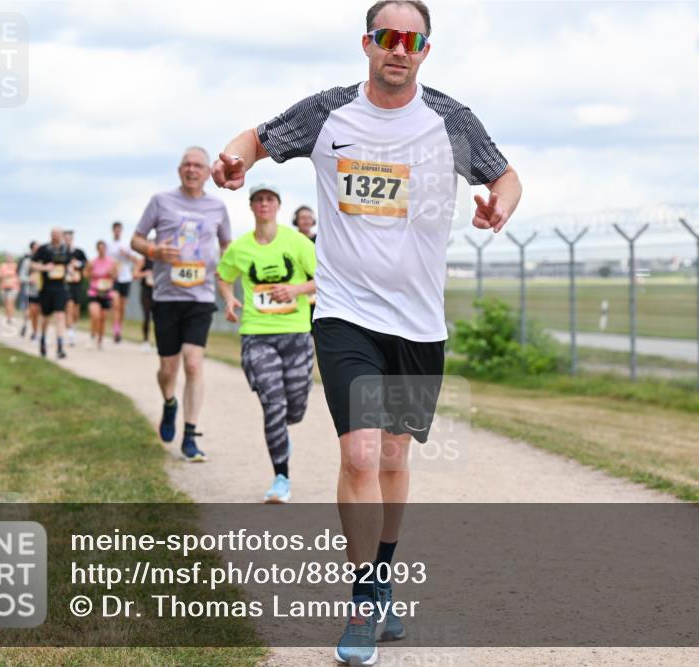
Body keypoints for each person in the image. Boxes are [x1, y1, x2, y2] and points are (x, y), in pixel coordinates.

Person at [211, 2, 521, 662]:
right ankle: (362, 599)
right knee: (358, 455)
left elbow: (506, 175)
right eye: (388, 37)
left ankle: (382, 575)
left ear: (425, 50)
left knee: (392, 458)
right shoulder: (329, 114)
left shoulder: (451, 120)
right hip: (345, 314)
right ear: (368, 43)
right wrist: (234, 161)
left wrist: (499, 204)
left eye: (413, 39)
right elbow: (257, 137)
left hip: (419, 322)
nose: (399, 48)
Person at [131, 146, 232, 462]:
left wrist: (223, 268)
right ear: (179, 170)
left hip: (200, 296)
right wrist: (154, 252)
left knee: (192, 363)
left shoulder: (217, 206)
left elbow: (227, 243)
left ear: (207, 172)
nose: (192, 170)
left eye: (198, 165)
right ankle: (169, 402)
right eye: (187, 165)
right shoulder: (161, 201)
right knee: (168, 368)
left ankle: (190, 434)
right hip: (166, 295)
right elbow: (136, 239)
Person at [217, 184, 317, 504]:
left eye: (269, 199)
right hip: (257, 335)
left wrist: (296, 291)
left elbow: (326, 276)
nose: (264, 204)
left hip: (297, 334)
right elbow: (222, 275)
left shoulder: (297, 242)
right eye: (258, 200)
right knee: (274, 404)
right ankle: (281, 478)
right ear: (251, 207)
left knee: (295, 409)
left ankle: (282, 427)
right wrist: (230, 297)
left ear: (277, 206)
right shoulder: (240, 247)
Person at [31, 228, 72, 359]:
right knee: (45, 318)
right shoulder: (44, 249)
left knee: (60, 316)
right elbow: (32, 264)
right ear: (51, 235)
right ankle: (42, 339)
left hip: (60, 288)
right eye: (54, 234)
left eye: (59, 234)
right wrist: (44, 267)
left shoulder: (66, 249)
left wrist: (70, 270)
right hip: (46, 288)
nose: (57, 237)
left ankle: (60, 347)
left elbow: (69, 264)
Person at [109, 221, 137, 343]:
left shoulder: (126, 245)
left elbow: (136, 260)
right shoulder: (109, 245)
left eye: (119, 229)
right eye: (116, 229)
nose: (117, 231)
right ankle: (115, 331)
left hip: (126, 277)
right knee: (115, 305)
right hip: (114, 278)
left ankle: (119, 329)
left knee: (122, 307)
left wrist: (126, 254)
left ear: (121, 230)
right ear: (113, 230)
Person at [85, 240, 117, 349]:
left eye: (103, 248)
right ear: (97, 249)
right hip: (94, 291)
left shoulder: (111, 262)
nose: (102, 250)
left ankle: (100, 340)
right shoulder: (92, 262)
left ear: (106, 249)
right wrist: (91, 273)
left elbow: (115, 276)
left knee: (103, 318)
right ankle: (92, 335)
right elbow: (85, 273)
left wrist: (112, 274)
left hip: (106, 292)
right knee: (95, 315)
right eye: (100, 248)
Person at [63, 230, 88, 347]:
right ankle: (70, 334)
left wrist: (78, 264)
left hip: (77, 284)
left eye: (69, 238)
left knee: (76, 310)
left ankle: (73, 326)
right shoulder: (61, 252)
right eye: (65, 238)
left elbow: (86, 264)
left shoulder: (79, 252)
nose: (67, 240)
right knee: (69, 307)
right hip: (65, 283)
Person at [136, 254, 155, 351]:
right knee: (146, 316)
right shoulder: (144, 260)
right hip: (146, 292)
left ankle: (158, 342)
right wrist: (145, 273)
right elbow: (135, 274)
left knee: (159, 319)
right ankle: (146, 340)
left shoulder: (160, 260)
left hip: (158, 292)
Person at [17, 242, 35, 337]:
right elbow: (21, 276)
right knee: (28, 309)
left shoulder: (42, 259)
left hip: (40, 289)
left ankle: (33, 329)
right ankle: (27, 326)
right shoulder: (27, 261)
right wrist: (29, 279)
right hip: (28, 288)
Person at [0, 253, 19, 324]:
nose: (9, 259)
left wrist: (11, 276)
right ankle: (8, 316)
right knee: (5, 304)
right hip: (4, 287)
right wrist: (6, 275)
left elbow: (19, 275)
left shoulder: (16, 266)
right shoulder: (2, 265)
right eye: (8, 257)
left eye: (10, 257)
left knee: (11, 303)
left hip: (14, 287)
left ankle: (10, 318)